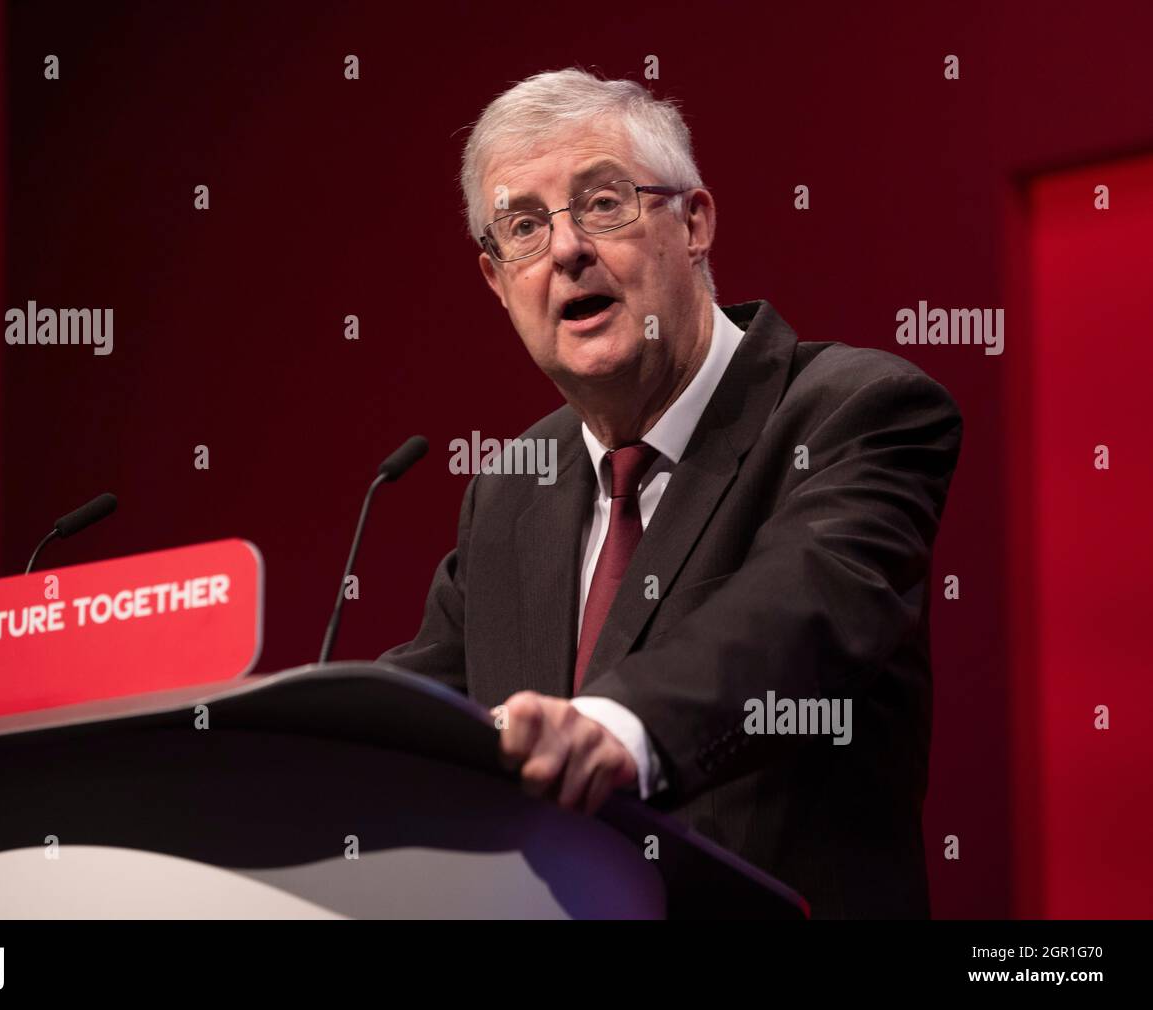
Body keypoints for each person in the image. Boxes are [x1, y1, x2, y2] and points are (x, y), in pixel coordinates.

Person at [379, 68, 962, 918]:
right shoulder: (512, 486)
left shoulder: (857, 412)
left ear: (694, 223)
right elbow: (418, 707)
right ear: (498, 282)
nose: (568, 249)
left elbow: (799, 616)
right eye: (525, 228)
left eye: (604, 203)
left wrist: (617, 729)